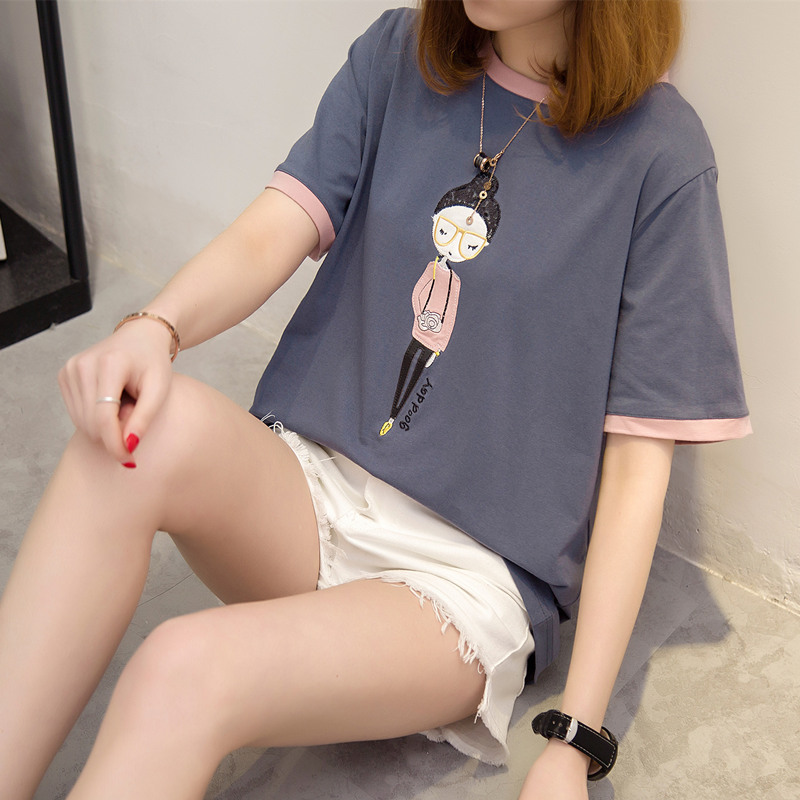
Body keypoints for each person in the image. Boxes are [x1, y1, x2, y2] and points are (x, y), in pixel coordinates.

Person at [0, 1, 751, 798]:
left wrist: (574, 740)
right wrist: (154, 328)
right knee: (127, 435)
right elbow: (272, 229)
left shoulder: (661, 153)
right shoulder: (400, 53)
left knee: (178, 669)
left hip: (460, 580)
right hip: (307, 490)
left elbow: (637, 466)